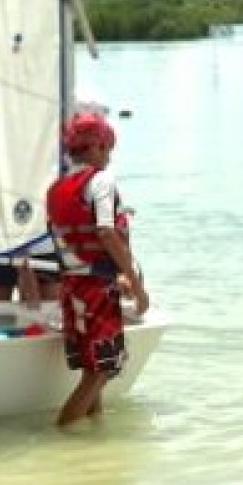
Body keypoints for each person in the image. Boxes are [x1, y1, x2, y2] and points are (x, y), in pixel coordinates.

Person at [47, 110, 149, 427]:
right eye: (107, 150)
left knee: (92, 368)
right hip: (96, 291)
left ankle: (94, 435)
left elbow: (64, 242)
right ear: (98, 147)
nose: (108, 158)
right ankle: (61, 437)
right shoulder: (101, 181)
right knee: (101, 371)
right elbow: (105, 232)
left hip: (72, 288)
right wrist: (134, 280)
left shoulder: (56, 188)